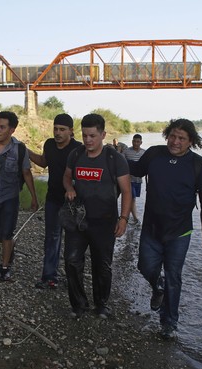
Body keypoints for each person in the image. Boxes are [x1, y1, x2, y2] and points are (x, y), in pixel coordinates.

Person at [128, 118, 202, 340]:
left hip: (180, 232)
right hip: (151, 227)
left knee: (174, 276)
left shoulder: (198, 165)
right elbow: (136, 170)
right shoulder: (154, 154)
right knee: (145, 266)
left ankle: (169, 323)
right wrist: (113, 155)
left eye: (181, 138)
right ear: (167, 134)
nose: (175, 141)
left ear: (191, 141)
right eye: (172, 136)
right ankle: (158, 286)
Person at [62, 113, 131, 319]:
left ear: (103, 135)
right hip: (78, 220)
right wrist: (69, 189)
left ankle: (101, 304)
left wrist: (124, 219)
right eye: (84, 136)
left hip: (105, 221)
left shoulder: (115, 159)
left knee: (102, 265)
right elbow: (66, 177)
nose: (88, 140)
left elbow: (126, 191)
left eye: (92, 136)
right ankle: (79, 305)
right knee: (71, 262)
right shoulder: (75, 155)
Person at [0, 111, 39, 282]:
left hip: (10, 198)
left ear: (12, 130)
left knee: (6, 233)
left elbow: (26, 173)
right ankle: (9, 246)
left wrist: (34, 197)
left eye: (2, 127)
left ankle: (4, 268)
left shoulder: (20, 150)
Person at [28, 113, 81, 289]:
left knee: (74, 241)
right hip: (52, 199)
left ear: (71, 131)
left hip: (73, 202)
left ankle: (74, 277)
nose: (57, 132)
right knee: (52, 238)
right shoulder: (49, 144)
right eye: (55, 129)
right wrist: (26, 152)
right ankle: (49, 276)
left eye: (62, 129)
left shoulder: (78, 148)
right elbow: (43, 162)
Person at [122, 134, 146, 225]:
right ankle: (135, 218)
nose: (136, 143)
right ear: (132, 141)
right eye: (134, 141)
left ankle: (126, 216)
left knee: (133, 199)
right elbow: (121, 163)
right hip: (128, 180)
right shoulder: (126, 151)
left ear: (141, 142)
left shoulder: (144, 152)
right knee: (132, 198)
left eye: (138, 141)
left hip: (138, 180)